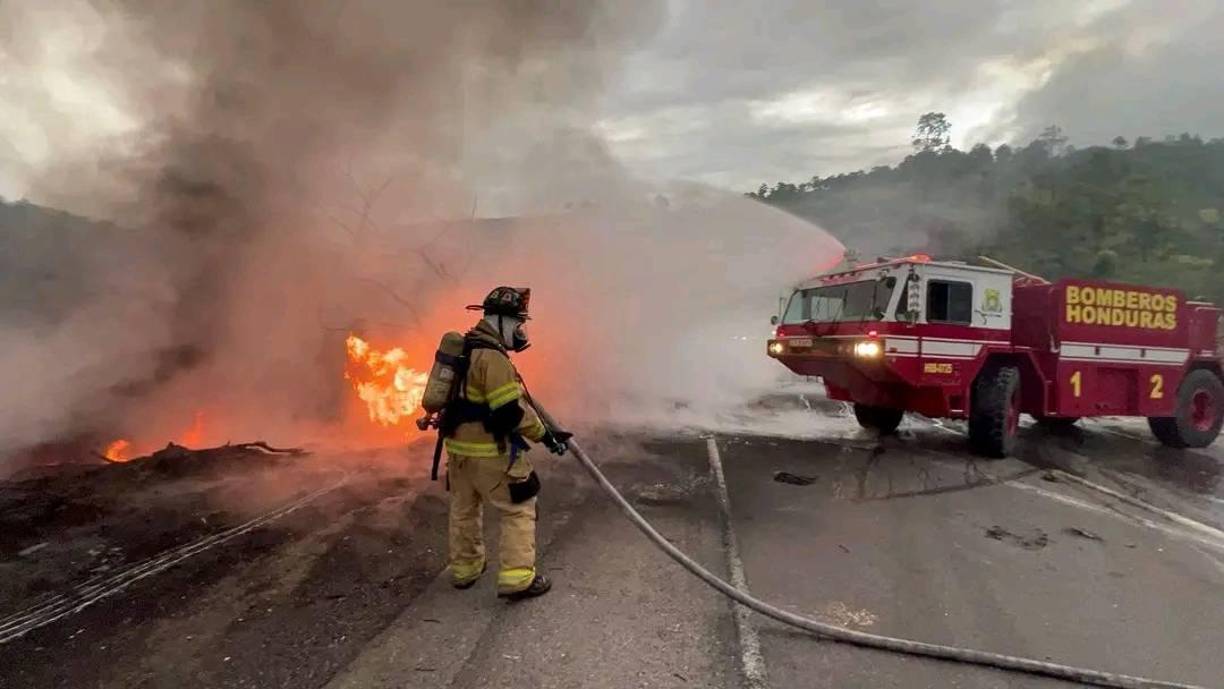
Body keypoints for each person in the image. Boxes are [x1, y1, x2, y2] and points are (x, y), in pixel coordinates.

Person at [442, 286, 568, 600]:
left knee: (464, 509)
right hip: (490, 453)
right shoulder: (493, 358)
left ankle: (465, 570)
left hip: (457, 451)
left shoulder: (465, 349)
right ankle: (518, 579)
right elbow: (511, 412)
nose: (519, 330)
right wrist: (545, 436)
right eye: (516, 323)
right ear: (499, 321)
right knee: (519, 507)